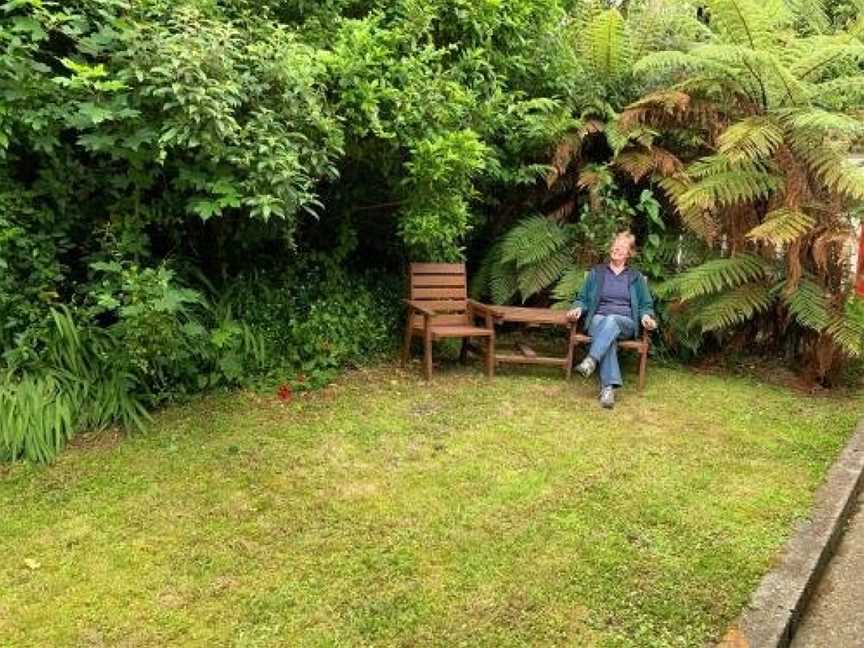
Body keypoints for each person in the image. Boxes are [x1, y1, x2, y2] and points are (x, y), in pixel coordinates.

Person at [566, 232, 657, 409]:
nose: (616, 248)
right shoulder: (597, 273)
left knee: (612, 320)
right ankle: (608, 389)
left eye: (621, 246)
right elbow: (582, 298)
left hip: (625, 323)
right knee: (608, 331)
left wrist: (646, 316)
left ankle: (591, 360)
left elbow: (646, 304)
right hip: (597, 320)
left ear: (629, 253)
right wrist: (577, 308)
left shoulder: (635, 277)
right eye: (615, 245)